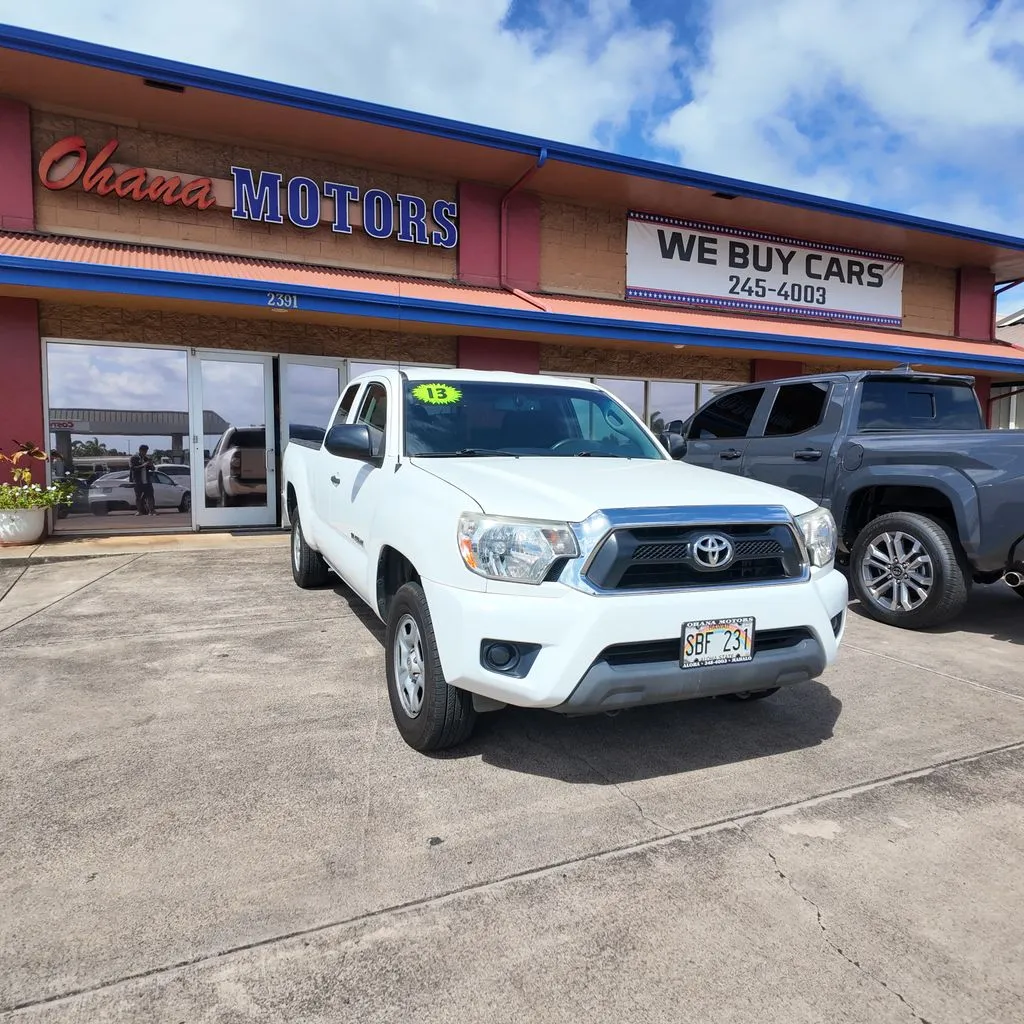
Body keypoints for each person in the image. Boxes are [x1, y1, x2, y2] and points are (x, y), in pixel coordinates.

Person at [128, 444, 156, 516]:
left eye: (146, 451)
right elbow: (133, 468)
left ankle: (151, 511)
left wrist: (151, 465)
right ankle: (139, 511)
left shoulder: (147, 458)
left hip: (147, 481)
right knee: (138, 497)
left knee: (150, 496)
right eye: (144, 451)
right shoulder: (134, 458)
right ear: (140, 450)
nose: (145, 453)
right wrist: (143, 465)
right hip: (138, 481)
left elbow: (153, 469)